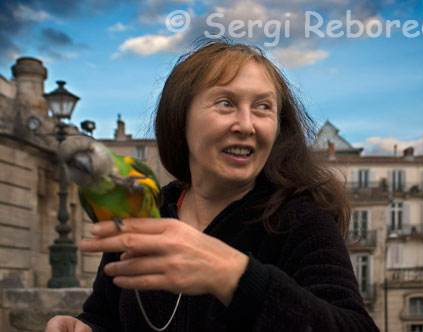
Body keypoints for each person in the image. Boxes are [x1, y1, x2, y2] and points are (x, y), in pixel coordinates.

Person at [45, 40, 379, 332]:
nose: (246, 125)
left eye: (263, 107)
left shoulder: (301, 221)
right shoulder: (143, 210)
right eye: (226, 103)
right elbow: (105, 316)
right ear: (180, 117)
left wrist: (234, 276)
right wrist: (85, 327)